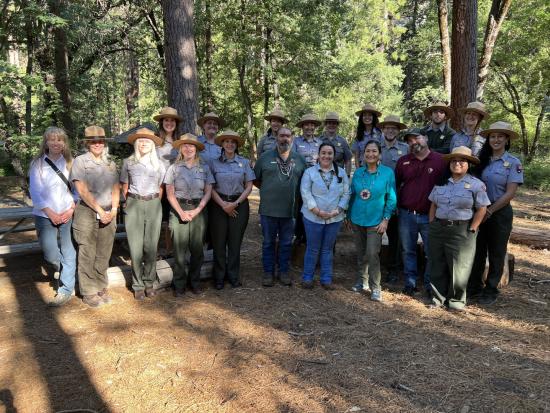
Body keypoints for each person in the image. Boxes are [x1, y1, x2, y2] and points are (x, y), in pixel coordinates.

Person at [468, 122, 524, 305]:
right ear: (488, 139)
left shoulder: (513, 163)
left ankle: (491, 289)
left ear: (507, 139)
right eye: (493, 136)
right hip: (478, 211)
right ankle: (474, 287)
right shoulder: (480, 159)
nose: (496, 139)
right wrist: (480, 211)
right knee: (477, 251)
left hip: (499, 213)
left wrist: (490, 211)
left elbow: (510, 193)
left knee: (497, 252)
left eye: (500, 136)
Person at [428, 146, 490, 311]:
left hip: (461, 230)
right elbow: (433, 204)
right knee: (437, 263)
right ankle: (437, 298)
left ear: (468, 164)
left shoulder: (476, 185)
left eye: (462, 160)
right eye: (454, 160)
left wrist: (473, 228)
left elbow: (482, 208)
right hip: (438, 228)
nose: (457, 163)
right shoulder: (441, 182)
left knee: (460, 267)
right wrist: (432, 222)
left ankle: (456, 301)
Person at [70, 126, 120, 308]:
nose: (97, 143)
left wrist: (114, 210)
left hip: (108, 212)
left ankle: (101, 286)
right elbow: (81, 190)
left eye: (100, 140)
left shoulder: (110, 163)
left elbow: (116, 188)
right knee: (87, 251)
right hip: (87, 212)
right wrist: (99, 210)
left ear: (104, 143)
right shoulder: (80, 161)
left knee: (104, 252)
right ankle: (89, 291)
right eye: (93, 141)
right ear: (87, 143)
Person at [29, 127, 77, 306]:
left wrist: (71, 209)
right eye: (52, 139)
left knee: (69, 251)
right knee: (50, 255)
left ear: (65, 143)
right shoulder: (38, 164)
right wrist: (50, 213)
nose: (56, 143)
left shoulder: (71, 163)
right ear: (46, 142)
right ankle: (67, 272)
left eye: (60, 140)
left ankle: (66, 289)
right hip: (44, 215)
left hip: (67, 213)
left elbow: (77, 190)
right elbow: (35, 191)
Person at [395, 129, 446, 298]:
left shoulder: (440, 160)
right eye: (409, 141)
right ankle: (410, 282)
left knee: (431, 252)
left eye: (416, 138)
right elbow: (396, 185)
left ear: (425, 138)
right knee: (407, 250)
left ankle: (429, 283)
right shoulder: (403, 161)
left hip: (430, 215)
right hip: (406, 214)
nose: (413, 142)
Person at [254, 127, 307, 287]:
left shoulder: (299, 159)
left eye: (288, 136)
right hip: (268, 210)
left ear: (292, 138)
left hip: (290, 210)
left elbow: (304, 183)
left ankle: (283, 272)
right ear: (276, 137)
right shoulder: (264, 157)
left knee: (285, 243)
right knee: (268, 242)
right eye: (282, 135)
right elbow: (256, 180)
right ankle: (268, 273)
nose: (284, 138)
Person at [164, 133, 214, 297]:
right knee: (179, 249)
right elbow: (169, 193)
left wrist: (197, 210)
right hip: (179, 209)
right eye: (185, 145)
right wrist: (181, 213)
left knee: (197, 249)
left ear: (196, 149)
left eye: (191, 145)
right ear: (180, 149)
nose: (188, 148)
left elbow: (208, 192)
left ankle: (195, 282)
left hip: (198, 210)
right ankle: (179, 284)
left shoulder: (204, 168)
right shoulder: (173, 168)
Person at [347, 140, 396, 302]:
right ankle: (362, 281)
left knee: (372, 254)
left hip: (376, 221)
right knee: (361, 253)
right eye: (368, 151)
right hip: (357, 218)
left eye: (374, 151)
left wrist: (386, 219)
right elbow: (353, 195)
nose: (370, 154)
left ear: (379, 154)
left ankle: (376, 287)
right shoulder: (359, 173)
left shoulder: (387, 173)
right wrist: (348, 217)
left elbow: (392, 198)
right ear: (363, 154)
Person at [120, 128, 166, 301]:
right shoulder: (128, 162)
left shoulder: (159, 164)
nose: (144, 143)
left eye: (147, 140)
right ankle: (138, 284)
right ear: (136, 144)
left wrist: (153, 202)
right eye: (141, 140)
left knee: (151, 246)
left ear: (153, 144)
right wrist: (129, 202)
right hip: (134, 203)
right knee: (135, 246)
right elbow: (124, 185)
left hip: (153, 203)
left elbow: (161, 187)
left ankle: (149, 282)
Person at [209, 130, 255, 289]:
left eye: (233, 142)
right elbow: (210, 187)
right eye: (226, 141)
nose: (229, 144)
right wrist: (223, 205)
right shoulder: (214, 163)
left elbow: (249, 186)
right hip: (218, 205)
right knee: (219, 243)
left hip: (239, 205)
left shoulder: (244, 162)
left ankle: (233, 276)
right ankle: (219, 277)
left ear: (236, 145)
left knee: (235, 243)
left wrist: (234, 204)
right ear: (222, 144)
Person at [300, 143, 350, 289]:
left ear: (334, 156)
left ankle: (326, 279)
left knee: (328, 249)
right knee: (312, 248)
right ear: (318, 155)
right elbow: (305, 192)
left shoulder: (341, 173)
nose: (326, 156)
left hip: (334, 218)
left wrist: (338, 210)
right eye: (323, 153)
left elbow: (347, 193)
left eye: (330, 153)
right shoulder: (310, 172)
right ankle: (307, 278)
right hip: (313, 217)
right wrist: (317, 211)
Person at [378, 115, 409, 283]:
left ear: (398, 131)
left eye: (394, 128)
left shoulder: (405, 149)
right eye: (387, 128)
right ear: (383, 130)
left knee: (395, 236)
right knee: (374, 232)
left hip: (396, 196)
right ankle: (373, 267)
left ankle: (393, 269)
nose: (390, 131)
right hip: (376, 197)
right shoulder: (375, 147)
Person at [154, 106, 182, 256]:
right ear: (162, 122)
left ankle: (171, 250)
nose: (169, 123)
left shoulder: (180, 141)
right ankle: (156, 251)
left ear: (176, 123)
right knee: (158, 218)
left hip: (176, 187)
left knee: (172, 219)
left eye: (172, 120)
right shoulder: (155, 141)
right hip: (158, 186)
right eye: (166, 120)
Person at [292, 113, 323, 245]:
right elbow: (292, 160)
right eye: (306, 124)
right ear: (302, 126)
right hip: (300, 179)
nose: (309, 127)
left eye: (312, 124)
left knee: (314, 206)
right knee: (300, 207)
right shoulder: (296, 142)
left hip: (316, 180)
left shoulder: (320, 143)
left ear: (315, 127)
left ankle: (311, 235)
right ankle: (299, 234)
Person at [320, 112, 352, 176]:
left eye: (334, 123)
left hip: (338, 176)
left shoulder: (343, 141)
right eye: (329, 123)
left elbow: (348, 161)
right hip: (321, 176)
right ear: (325, 124)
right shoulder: (319, 140)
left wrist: (347, 176)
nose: (332, 125)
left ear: (337, 125)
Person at [352, 103, 383, 168]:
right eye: (364, 115)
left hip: (377, 169)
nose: (367, 117)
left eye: (370, 115)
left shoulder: (379, 133)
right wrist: (359, 171)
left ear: (374, 117)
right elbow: (356, 156)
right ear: (361, 118)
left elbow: (383, 153)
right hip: (362, 168)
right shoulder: (358, 135)